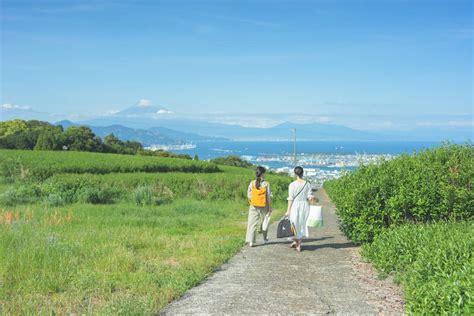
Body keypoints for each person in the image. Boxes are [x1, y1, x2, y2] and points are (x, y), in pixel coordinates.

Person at [285, 166, 314, 252]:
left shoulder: (292, 184)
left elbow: (290, 199)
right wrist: (313, 199)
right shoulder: (307, 184)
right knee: (302, 224)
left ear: (295, 174)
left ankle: (295, 241)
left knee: (293, 224)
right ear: (302, 173)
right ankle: (298, 244)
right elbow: (310, 197)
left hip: (295, 205)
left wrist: (288, 211)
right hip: (304, 205)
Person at [246, 166, 273, 247]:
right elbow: (268, 196)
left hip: (253, 205)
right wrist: (270, 207)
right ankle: (265, 239)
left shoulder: (252, 183)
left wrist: (252, 202)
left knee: (252, 223)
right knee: (264, 222)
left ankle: (251, 241)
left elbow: (249, 195)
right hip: (264, 206)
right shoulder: (266, 184)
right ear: (263, 174)